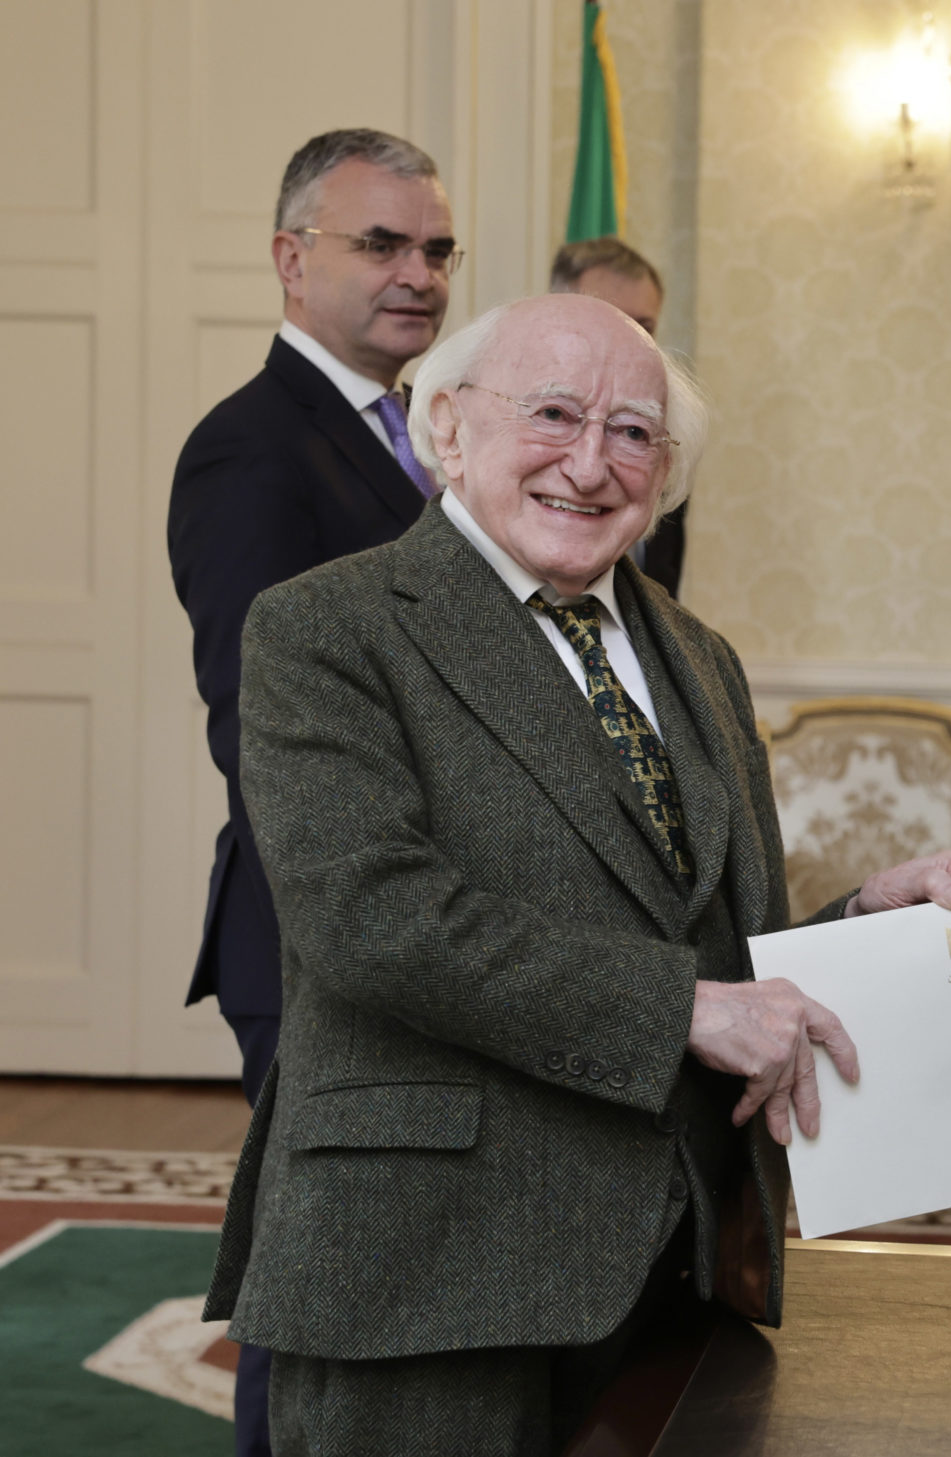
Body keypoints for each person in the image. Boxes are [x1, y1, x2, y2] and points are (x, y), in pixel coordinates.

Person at [201, 291, 951, 1455]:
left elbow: (704, 943)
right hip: (432, 1266)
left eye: (633, 431)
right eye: (552, 414)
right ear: (447, 428)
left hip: (673, 1254)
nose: (590, 463)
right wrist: (685, 1009)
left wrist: (858, 922)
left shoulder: (698, 654)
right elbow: (371, 919)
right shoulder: (326, 629)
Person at [167, 125, 457, 1457]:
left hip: (432, 926)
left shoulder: (426, 437)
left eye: (438, 248)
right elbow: (258, 721)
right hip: (322, 930)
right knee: (313, 1281)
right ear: (293, 262)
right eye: (381, 244)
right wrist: (375, 901)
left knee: (399, 1263)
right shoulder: (253, 449)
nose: (420, 273)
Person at [550, 236, 687, 597]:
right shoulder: (523, 436)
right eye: (609, 320)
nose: (627, 342)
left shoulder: (662, 444)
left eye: (643, 327)